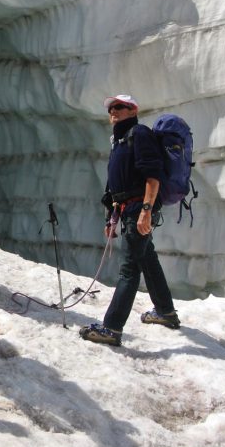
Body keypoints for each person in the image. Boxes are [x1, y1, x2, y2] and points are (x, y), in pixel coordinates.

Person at [80, 94, 180, 347]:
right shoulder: (120, 140)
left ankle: (112, 328)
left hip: (140, 209)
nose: (114, 110)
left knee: (130, 268)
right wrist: (110, 217)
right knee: (147, 257)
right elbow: (117, 185)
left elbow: (152, 176)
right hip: (126, 209)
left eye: (120, 107)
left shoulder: (140, 134)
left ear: (133, 109)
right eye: (111, 107)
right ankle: (166, 312)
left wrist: (146, 210)